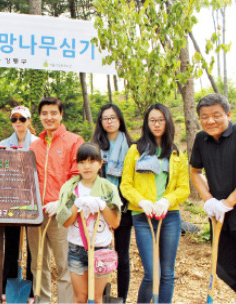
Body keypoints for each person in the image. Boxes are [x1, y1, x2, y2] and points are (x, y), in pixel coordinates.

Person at [120, 103, 190, 303]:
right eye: (153, 120)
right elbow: (126, 185)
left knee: (167, 273)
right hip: (142, 216)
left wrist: (167, 201)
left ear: (167, 122)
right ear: (146, 123)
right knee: (152, 273)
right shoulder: (135, 150)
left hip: (170, 217)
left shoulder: (176, 153)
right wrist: (141, 201)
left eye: (161, 120)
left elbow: (184, 188)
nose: (157, 124)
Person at [189, 93, 236, 302]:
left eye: (216, 115)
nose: (210, 121)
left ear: (228, 114)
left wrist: (230, 202)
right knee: (223, 268)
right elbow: (195, 171)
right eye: (204, 116)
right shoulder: (201, 139)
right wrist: (208, 200)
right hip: (220, 218)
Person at [28, 97, 83, 303]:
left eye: (53, 113)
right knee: (38, 262)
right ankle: (42, 300)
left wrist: (61, 203)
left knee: (64, 263)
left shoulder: (74, 141)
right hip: (36, 213)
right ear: (40, 116)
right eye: (44, 114)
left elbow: (77, 177)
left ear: (61, 115)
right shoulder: (35, 145)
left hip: (62, 213)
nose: (49, 117)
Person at [56, 143, 122, 303]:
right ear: (77, 164)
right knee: (80, 298)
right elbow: (65, 222)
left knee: (97, 297)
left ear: (100, 164)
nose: (87, 166)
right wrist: (76, 205)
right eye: (82, 161)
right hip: (76, 249)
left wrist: (102, 205)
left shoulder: (109, 189)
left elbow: (115, 222)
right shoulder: (69, 188)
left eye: (92, 161)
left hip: (101, 249)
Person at [91, 104, 132, 302]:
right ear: (100, 122)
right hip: (99, 207)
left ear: (120, 120)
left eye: (113, 117)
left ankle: (121, 298)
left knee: (122, 255)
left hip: (123, 206)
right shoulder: (95, 146)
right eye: (105, 118)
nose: (109, 121)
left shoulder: (131, 147)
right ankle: (101, 295)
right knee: (100, 255)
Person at [0, 105, 38, 295]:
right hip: (11, 199)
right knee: (11, 243)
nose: (18, 123)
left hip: (32, 199)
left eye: (22, 119)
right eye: (14, 119)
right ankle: (7, 284)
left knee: (33, 246)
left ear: (29, 121)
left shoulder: (38, 143)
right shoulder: (3, 144)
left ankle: (31, 288)